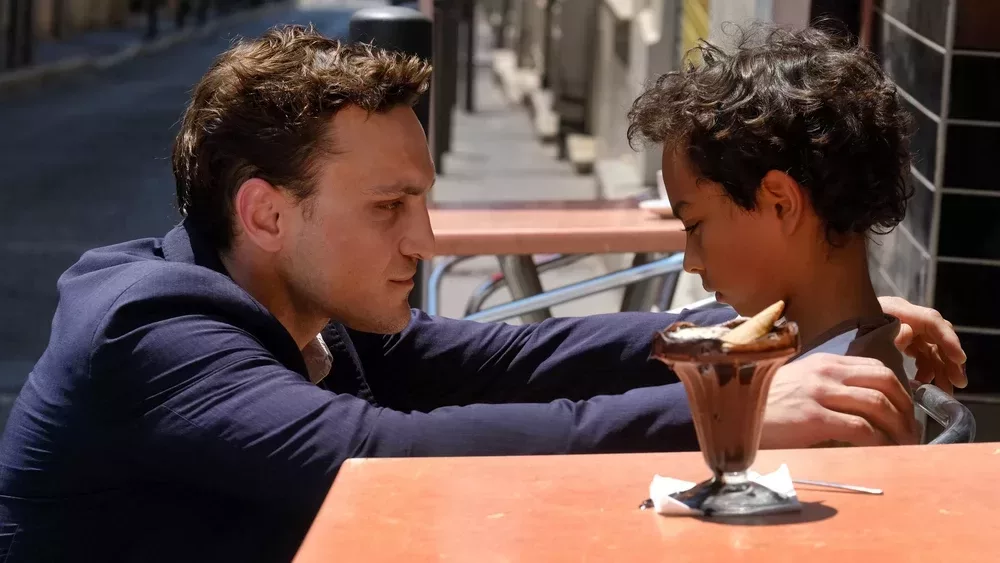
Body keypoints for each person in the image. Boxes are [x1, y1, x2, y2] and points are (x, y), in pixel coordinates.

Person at [0, 26, 966, 562]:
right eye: (389, 207)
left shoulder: (314, 310)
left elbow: (506, 358)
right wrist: (737, 405)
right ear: (264, 213)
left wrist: (757, 334)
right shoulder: (151, 329)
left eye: (423, 201)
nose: (424, 241)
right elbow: (375, 455)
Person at [626, 24, 947, 397]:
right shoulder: (831, 360)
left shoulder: (832, 409)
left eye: (695, 225)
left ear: (781, 204)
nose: (690, 262)